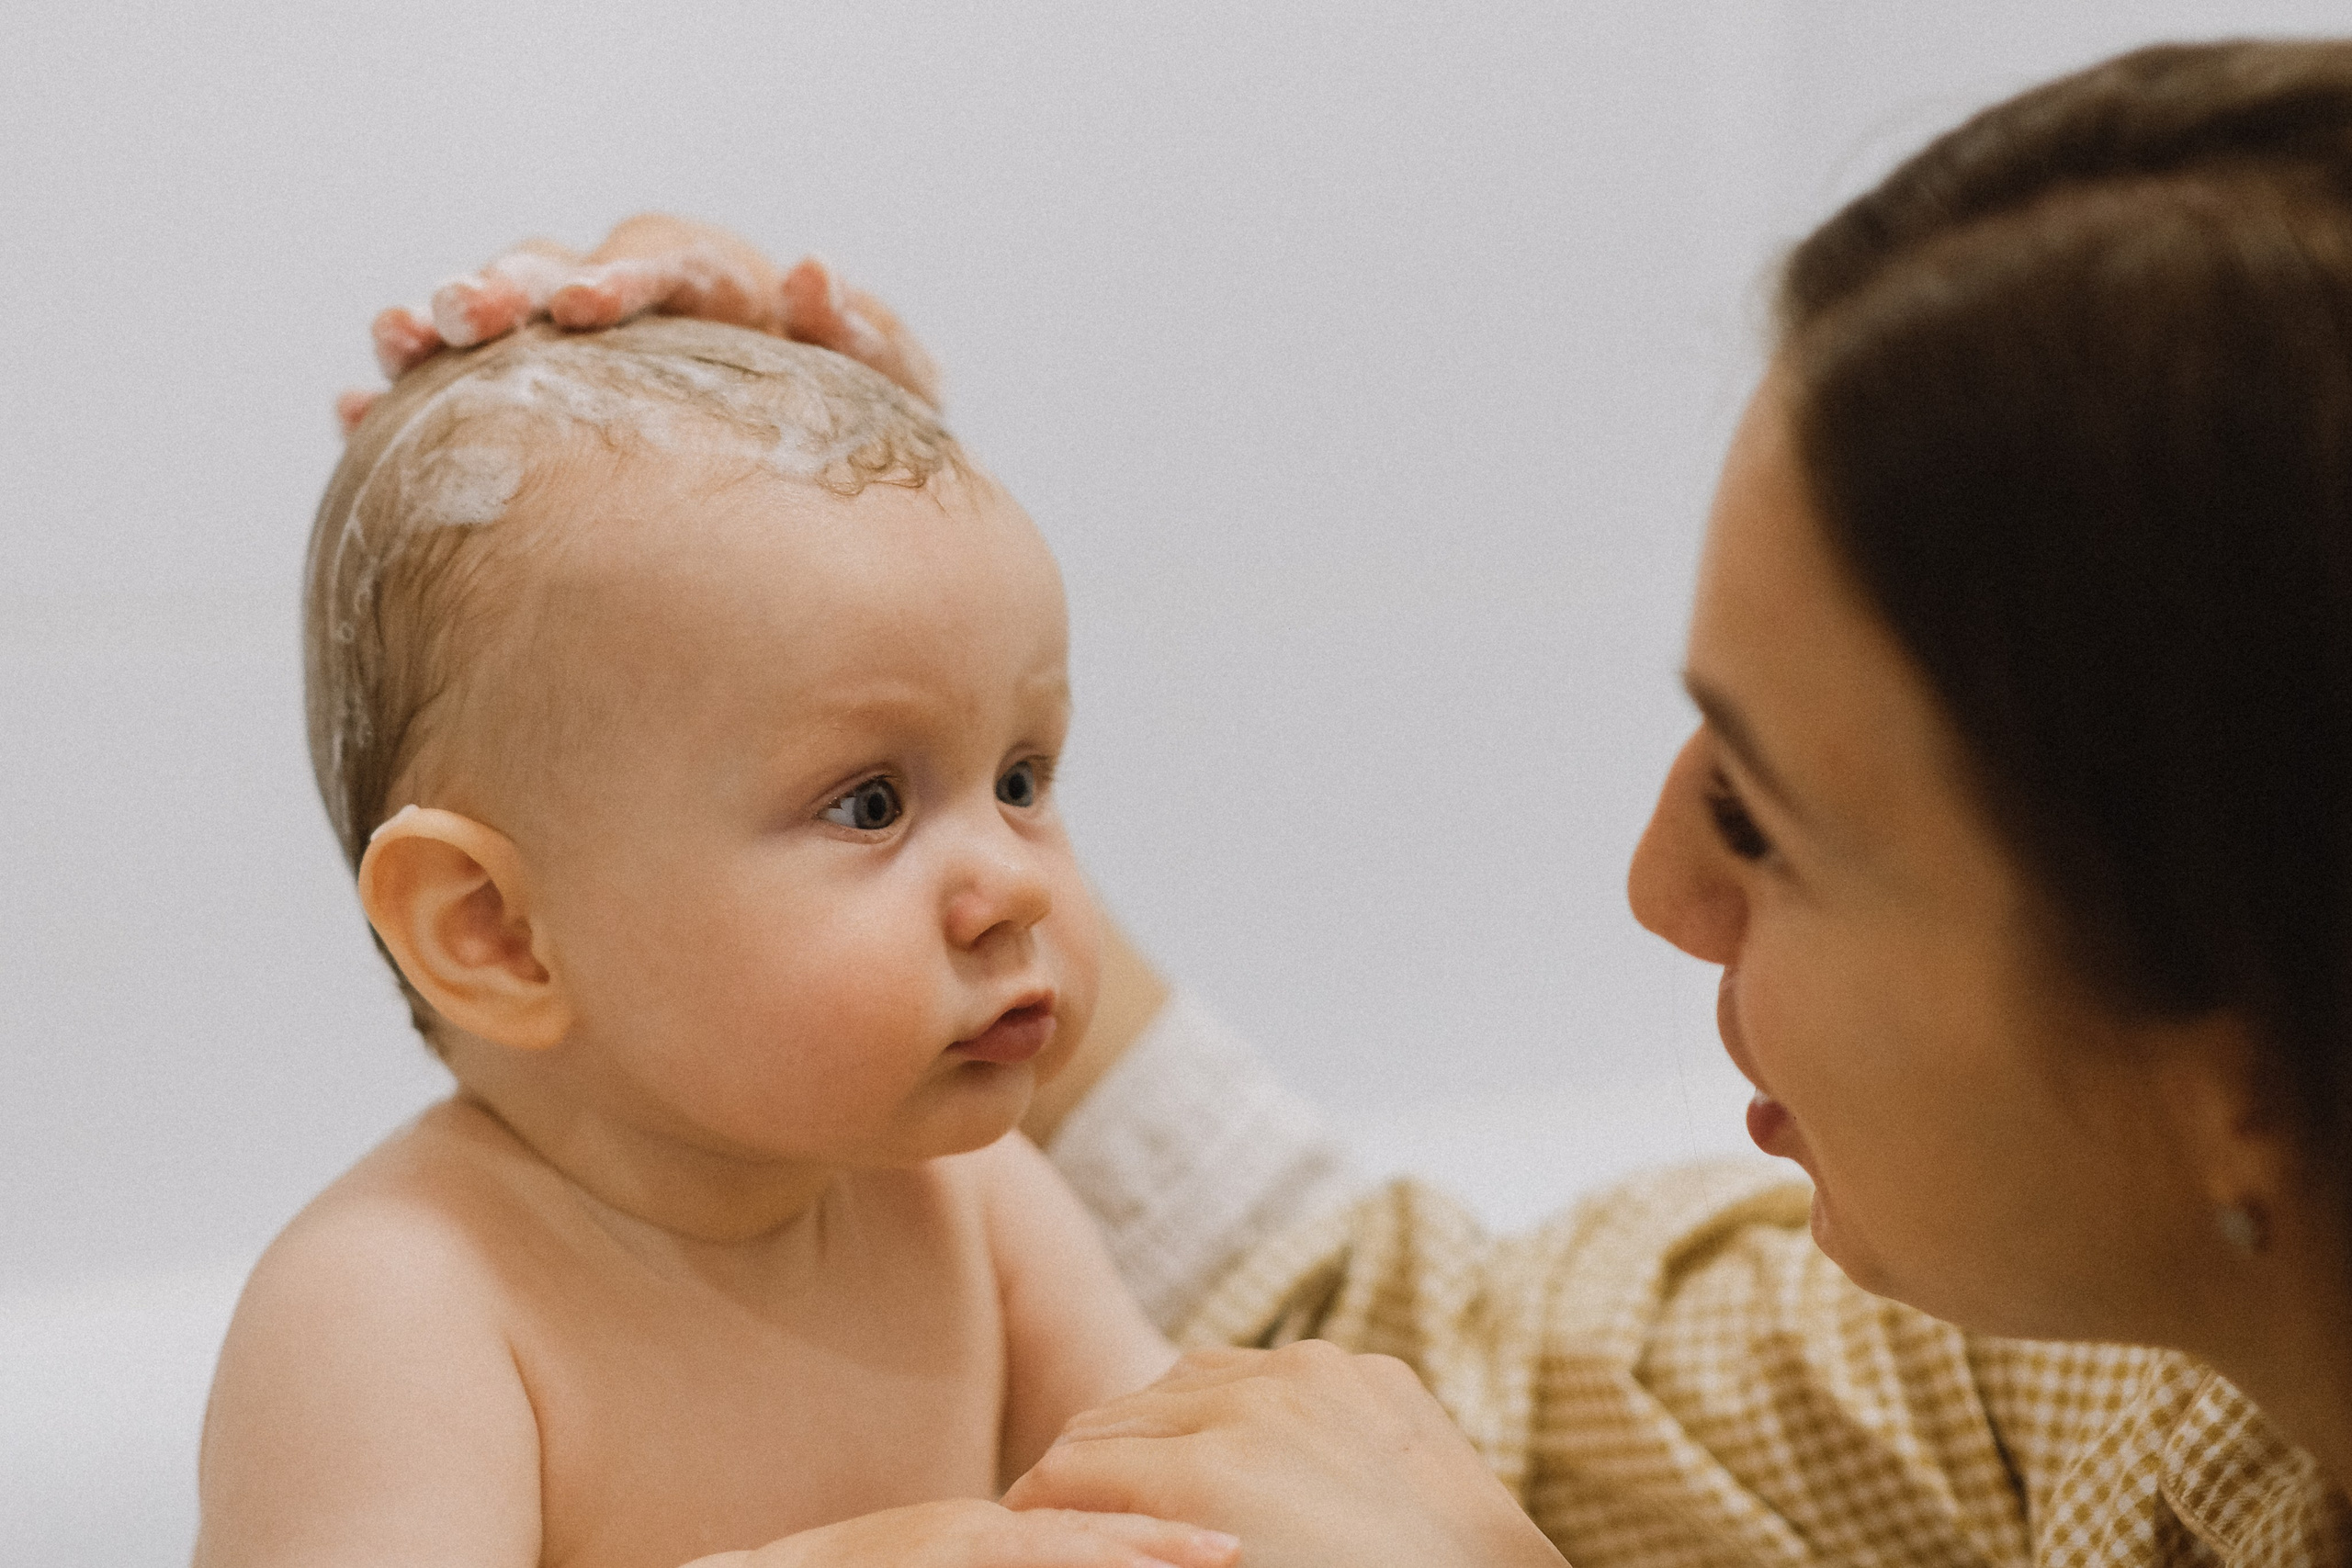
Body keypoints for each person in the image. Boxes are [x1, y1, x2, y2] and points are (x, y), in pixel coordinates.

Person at [357, 36, 2352, 1568]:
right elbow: (1365, 1381)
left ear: (2239, 1054)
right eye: (879, 798)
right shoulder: (2132, 1366)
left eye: (1757, 814)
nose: (1655, 881)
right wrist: (791, 638)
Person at [196, 317, 1247, 1568]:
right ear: (497, 933)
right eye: (871, 804)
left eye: (1022, 779)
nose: (1014, 885)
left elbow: (1199, 1515)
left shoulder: (970, 1201)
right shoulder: (397, 1309)